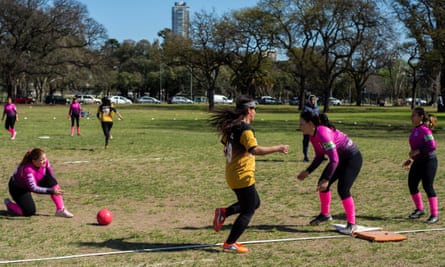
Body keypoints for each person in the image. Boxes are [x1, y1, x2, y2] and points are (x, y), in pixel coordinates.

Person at [209, 95, 289, 253]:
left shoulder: (232, 127)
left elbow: (225, 144)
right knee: (248, 210)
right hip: (242, 175)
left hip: (233, 173)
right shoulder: (245, 130)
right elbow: (255, 150)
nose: (255, 112)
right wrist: (278, 148)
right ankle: (229, 243)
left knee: (255, 202)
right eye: (254, 109)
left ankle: (224, 212)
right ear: (248, 110)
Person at [297, 112, 362, 235]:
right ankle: (325, 215)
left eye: (302, 124)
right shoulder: (312, 136)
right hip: (339, 159)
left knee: (343, 189)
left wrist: (327, 179)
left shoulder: (323, 134)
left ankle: (352, 224)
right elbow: (320, 156)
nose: (299, 127)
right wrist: (308, 171)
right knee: (321, 184)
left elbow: (334, 159)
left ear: (310, 124)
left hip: (352, 158)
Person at [4, 148, 73, 218]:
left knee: (51, 181)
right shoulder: (27, 170)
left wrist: (54, 186)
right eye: (41, 160)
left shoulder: (44, 161)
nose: (44, 161)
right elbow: (33, 188)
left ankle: (60, 210)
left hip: (36, 180)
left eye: (45, 159)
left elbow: (51, 174)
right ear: (34, 161)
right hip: (19, 188)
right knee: (29, 212)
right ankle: (9, 204)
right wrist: (51, 191)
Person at [402, 107, 439, 223]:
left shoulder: (425, 130)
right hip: (418, 161)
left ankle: (434, 215)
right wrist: (411, 159)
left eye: (414, 115)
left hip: (429, 161)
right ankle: (419, 209)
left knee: (427, 186)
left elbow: (432, 146)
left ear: (421, 117)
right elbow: (414, 149)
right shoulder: (415, 130)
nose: (411, 117)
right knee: (412, 184)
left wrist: (417, 152)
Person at [302, 95, 319, 162]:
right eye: (312, 100)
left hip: (315, 128)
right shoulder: (306, 108)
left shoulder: (317, 108)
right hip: (307, 127)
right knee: (306, 142)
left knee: (318, 142)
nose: (313, 101)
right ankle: (305, 156)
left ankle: (320, 155)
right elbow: (303, 117)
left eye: (314, 100)